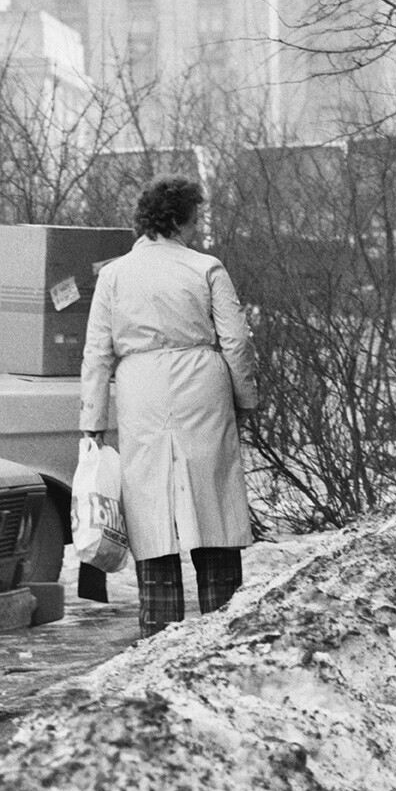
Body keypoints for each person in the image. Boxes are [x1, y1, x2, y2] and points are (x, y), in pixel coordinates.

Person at [80, 175, 259, 638]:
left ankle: (159, 626)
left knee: (150, 502)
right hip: (203, 382)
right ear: (183, 218)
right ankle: (224, 621)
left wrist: (92, 422)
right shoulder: (206, 268)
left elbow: (97, 351)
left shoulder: (114, 274)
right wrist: (245, 399)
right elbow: (235, 341)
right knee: (212, 496)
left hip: (140, 388)